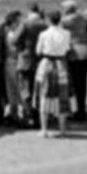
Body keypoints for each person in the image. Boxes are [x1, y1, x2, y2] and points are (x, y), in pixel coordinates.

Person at [35, 9, 71, 139]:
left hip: (46, 63)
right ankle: (62, 129)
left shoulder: (44, 34)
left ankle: (44, 129)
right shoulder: (67, 33)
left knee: (44, 95)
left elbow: (38, 51)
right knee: (62, 96)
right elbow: (67, 49)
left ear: (49, 20)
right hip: (60, 64)